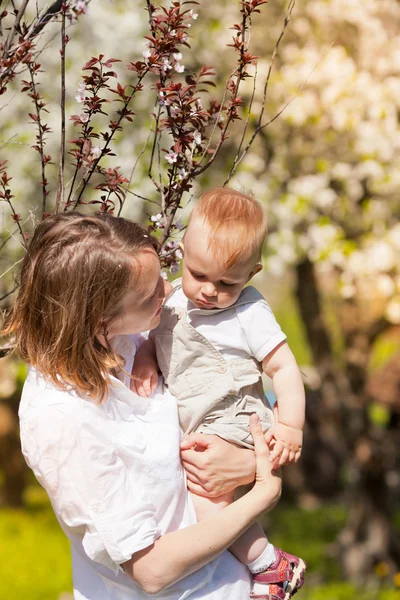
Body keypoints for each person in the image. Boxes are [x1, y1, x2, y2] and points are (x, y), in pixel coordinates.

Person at [2, 212, 282, 600]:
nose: (167, 292)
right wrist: (261, 496)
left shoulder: (133, 340)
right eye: (149, 293)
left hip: (236, 585)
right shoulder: (61, 419)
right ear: (97, 317)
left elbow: (237, 402)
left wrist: (250, 463)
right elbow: (151, 571)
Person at [131, 188, 307, 599]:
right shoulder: (172, 296)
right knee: (197, 495)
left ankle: (271, 565)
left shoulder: (249, 312)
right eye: (199, 274)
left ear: (252, 273)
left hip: (234, 416)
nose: (209, 291)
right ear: (181, 253)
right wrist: (143, 360)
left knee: (204, 498)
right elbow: (154, 340)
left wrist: (291, 427)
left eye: (227, 282)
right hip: (197, 415)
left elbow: (284, 368)